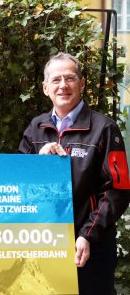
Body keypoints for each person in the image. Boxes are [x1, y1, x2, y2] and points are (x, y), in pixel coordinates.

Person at [19, 52, 130, 294]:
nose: (63, 85)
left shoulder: (104, 128)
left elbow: (117, 190)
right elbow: (21, 185)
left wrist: (87, 235)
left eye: (69, 78)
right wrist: (39, 163)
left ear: (81, 84)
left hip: (90, 247)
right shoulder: (35, 128)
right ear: (45, 88)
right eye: (56, 80)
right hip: (44, 243)